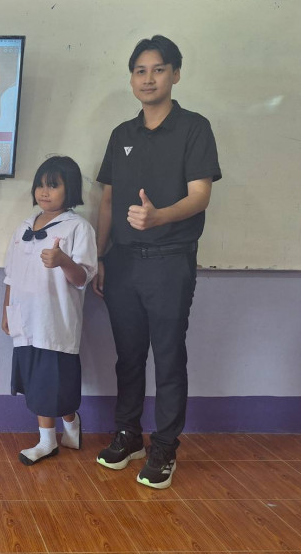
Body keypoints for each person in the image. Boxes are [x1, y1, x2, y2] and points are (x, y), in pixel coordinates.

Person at [93, 35, 222, 489]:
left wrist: (159, 217)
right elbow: (108, 200)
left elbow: (200, 195)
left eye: (158, 69)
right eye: (140, 71)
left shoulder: (194, 128)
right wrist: (100, 256)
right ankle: (128, 434)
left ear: (175, 74)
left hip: (170, 261)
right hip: (123, 263)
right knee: (128, 356)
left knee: (168, 357)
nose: (148, 79)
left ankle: (164, 446)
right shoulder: (121, 135)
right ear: (132, 79)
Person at [2, 156, 97, 465]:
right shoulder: (23, 227)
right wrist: (6, 311)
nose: (44, 192)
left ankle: (58, 434)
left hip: (55, 321)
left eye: (53, 186)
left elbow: (82, 278)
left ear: (70, 190)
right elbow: (10, 275)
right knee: (36, 382)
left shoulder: (78, 227)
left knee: (54, 384)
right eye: (40, 185)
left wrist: (63, 261)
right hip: (25, 318)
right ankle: (57, 434)